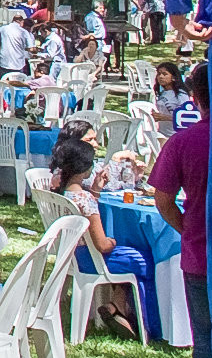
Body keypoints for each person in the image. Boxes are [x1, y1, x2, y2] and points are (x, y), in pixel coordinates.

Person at [147, 62, 212, 358]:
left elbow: (161, 198)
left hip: (202, 255)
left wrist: (186, 227)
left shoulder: (184, 141)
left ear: (194, 98)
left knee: (207, 342)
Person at [50, 137, 151, 340]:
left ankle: (116, 306)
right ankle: (146, 322)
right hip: (89, 257)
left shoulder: (61, 193)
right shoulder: (84, 199)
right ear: (84, 168)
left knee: (127, 256)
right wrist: (114, 241)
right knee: (143, 259)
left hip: (69, 254)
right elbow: (102, 245)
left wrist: (95, 189)